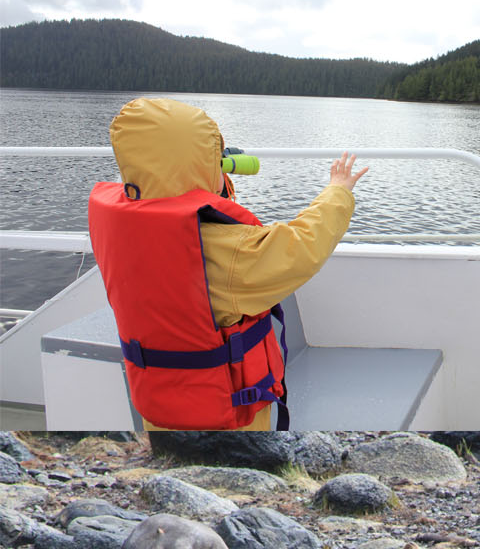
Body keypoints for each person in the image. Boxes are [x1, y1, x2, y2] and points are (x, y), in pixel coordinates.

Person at [88, 94, 367, 432]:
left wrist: (209, 193)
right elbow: (300, 248)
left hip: (157, 407)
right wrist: (338, 190)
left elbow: (179, 215)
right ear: (201, 164)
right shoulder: (229, 251)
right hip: (228, 417)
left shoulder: (124, 228)